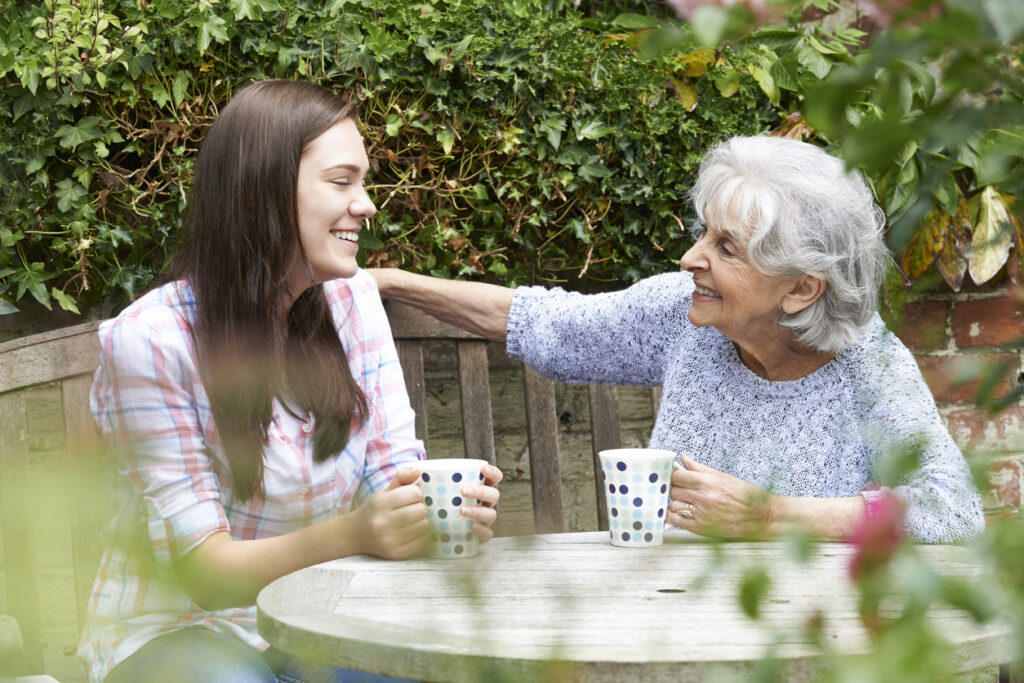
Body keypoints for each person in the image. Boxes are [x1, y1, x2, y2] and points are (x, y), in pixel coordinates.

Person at [77, 79, 502, 683]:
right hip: (178, 631)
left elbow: (392, 473)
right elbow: (204, 574)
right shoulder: (151, 340)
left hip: (328, 616)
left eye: (363, 181)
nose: (367, 204)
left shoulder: (352, 303)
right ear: (266, 191)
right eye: (341, 181)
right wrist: (358, 532)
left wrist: (434, 512)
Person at [371, 135, 985, 545]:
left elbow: (954, 509)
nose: (691, 258)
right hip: (664, 619)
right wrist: (390, 283)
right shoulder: (685, 314)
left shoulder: (868, 366)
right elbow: (545, 323)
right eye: (703, 234)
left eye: (725, 248)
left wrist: (768, 515)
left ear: (800, 289)